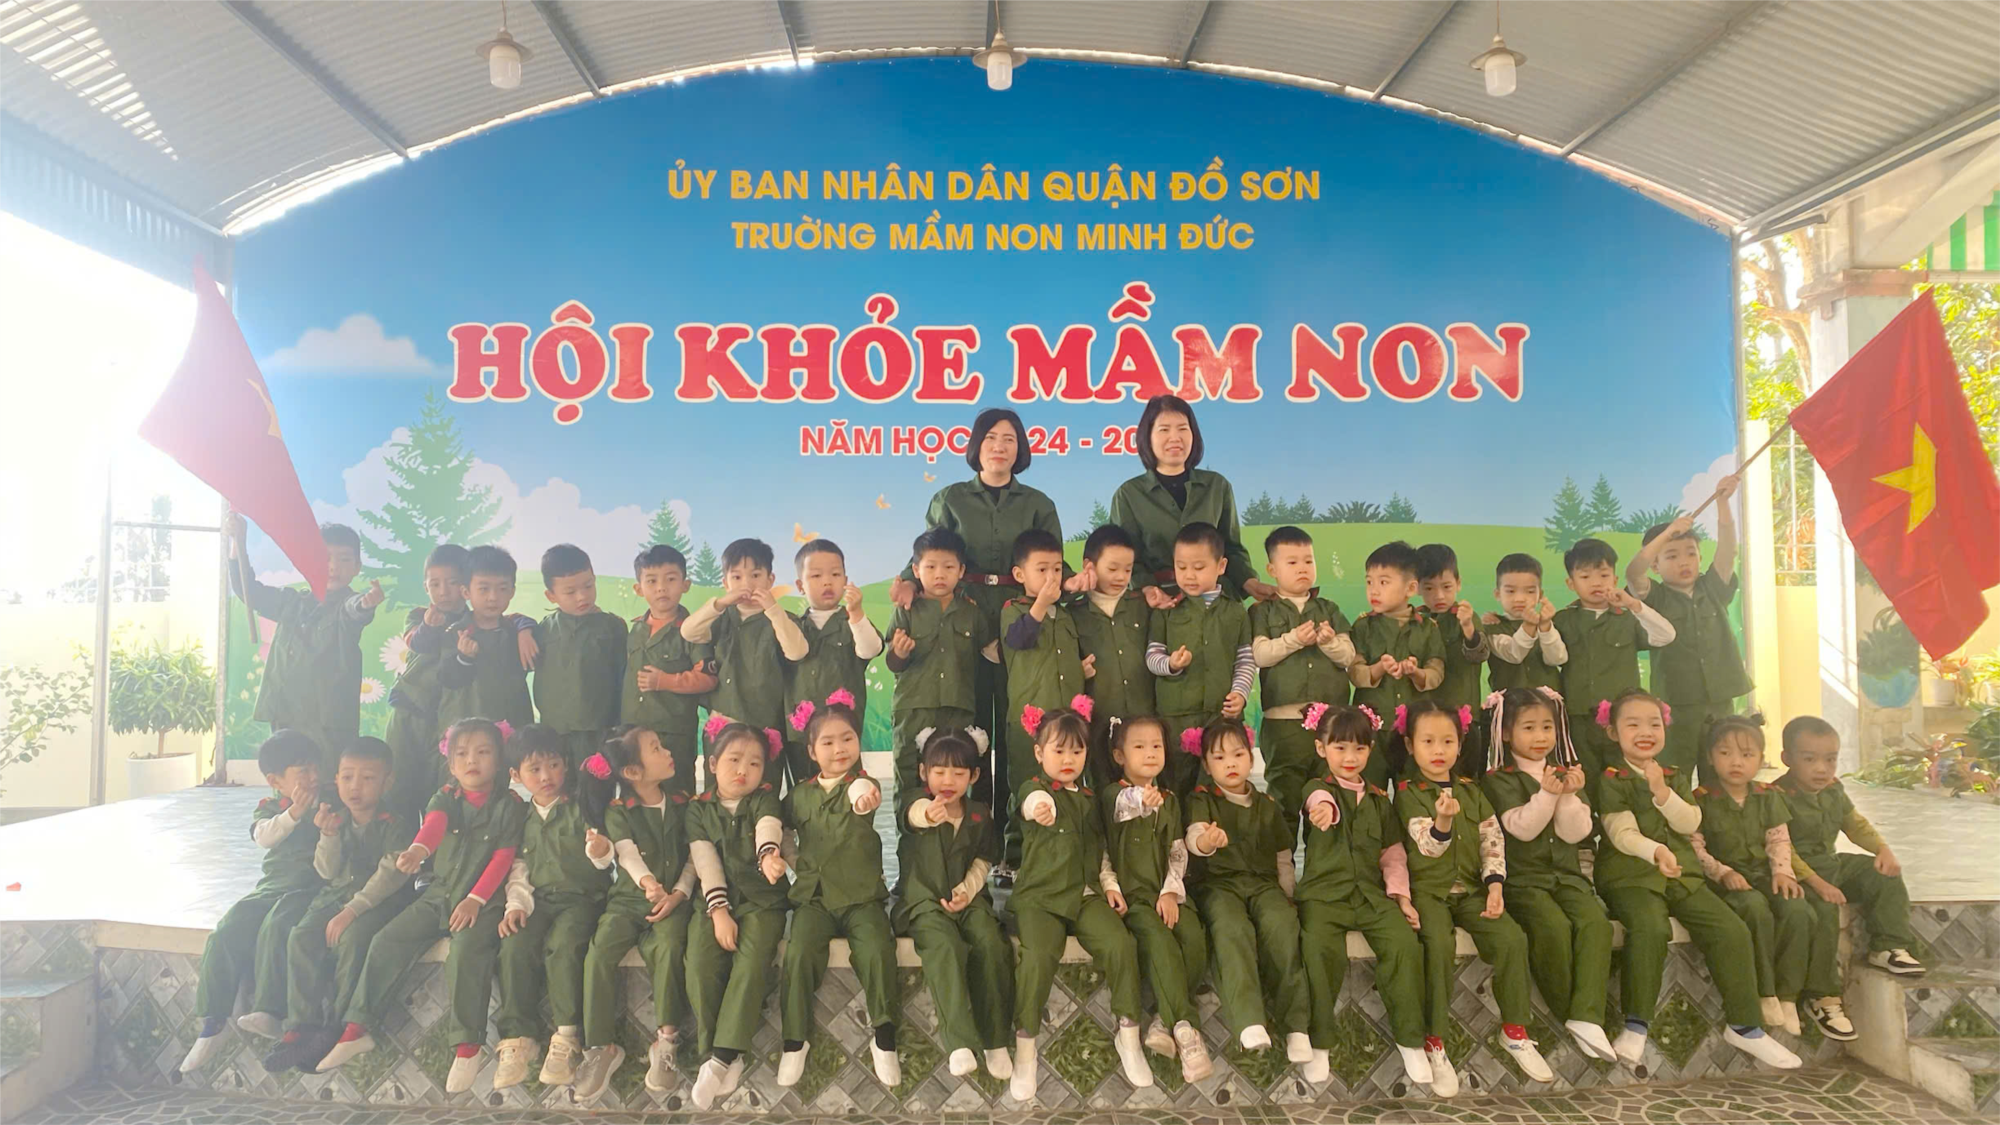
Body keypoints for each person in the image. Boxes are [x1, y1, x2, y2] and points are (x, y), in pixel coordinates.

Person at [1592, 690, 1800, 1070]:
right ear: (1613, 732)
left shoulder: (1674, 775)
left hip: (1683, 875)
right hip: (1630, 877)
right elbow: (1621, 833)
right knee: (1650, 927)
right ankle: (1636, 1026)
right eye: (1633, 724)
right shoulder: (1611, 779)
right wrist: (1656, 851)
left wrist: (1661, 791)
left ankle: (1745, 1026)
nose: (1645, 732)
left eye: (1654, 724)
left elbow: (1690, 822)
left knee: (1730, 929)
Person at [317, 719, 528, 1092]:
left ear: (499, 761)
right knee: (387, 939)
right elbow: (433, 825)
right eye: (462, 754)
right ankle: (357, 1028)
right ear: (451, 764)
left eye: (483, 752)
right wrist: (417, 850)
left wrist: (475, 900)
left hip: (484, 899)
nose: (472, 761)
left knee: (466, 951)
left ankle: (467, 1047)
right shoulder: (444, 797)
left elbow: (503, 857)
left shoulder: (509, 806)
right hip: (439, 893)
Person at [889, 408, 1070, 837]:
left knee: (1015, 726)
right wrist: (906, 580)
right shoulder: (950, 499)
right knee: (970, 730)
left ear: (1020, 448)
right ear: (976, 445)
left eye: (1009, 439)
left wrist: (1077, 580)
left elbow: (1053, 561)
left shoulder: (1038, 504)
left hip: (1020, 617)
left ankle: (1012, 835)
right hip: (964, 614)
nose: (999, 447)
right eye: (990, 438)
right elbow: (930, 551)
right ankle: (972, 834)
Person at [1394, 700, 1551, 1093]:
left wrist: (1495, 886)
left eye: (1448, 741)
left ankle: (1515, 1030)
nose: (1439, 750)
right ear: (1410, 745)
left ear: (1460, 745)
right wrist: (1443, 821)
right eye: (1428, 741)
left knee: (1511, 938)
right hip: (1428, 892)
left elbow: (1491, 839)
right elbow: (1427, 845)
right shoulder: (1408, 793)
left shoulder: (1472, 790)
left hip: (1471, 890)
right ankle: (1434, 1041)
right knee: (1437, 945)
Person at [1008, 705, 1152, 1101]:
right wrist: (1040, 808)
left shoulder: (1090, 799)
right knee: (1039, 955)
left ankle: (1129, 1034)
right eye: (1059, 751)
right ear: (1039, 753)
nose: (1068, 759)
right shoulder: (1033, 790)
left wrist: (1110, 885)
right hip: (1041, 898)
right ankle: (1025, 1049)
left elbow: (1100, 850)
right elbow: (1031, 803)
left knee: (1121, 943)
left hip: (1084, 894)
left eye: (1077, 751)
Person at [262, 737, 418, 1074]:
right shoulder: (336, 817)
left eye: (368, 778)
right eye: (347, 777)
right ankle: (301, 1027)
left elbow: (389, 878)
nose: (355, 787)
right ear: (336, 779)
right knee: (301, 936)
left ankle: (335, 1028)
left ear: (387, 781)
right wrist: (328, 836)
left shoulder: (396, 823)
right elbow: (327, 872)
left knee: (353, 939)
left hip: (378, 902)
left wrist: (350, 912)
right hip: (334, 896)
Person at [1296, 703, 1431, 1087]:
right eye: (1340, 748)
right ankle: (1320, 1043)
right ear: (1321, 748)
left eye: (1359, 748)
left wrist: (1401, 898)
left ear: (1370, 750)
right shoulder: (1316, 789)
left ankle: (1411, 1041)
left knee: (1403, 943)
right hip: (1324, 897)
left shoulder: (1378, 800)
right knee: (1318, 949)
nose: (1350, 757)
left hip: (1371, 897)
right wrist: (1324, 812)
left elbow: (1392, 854)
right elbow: (1319, 804)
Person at [1479, 687, 1617, 1062]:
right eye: (1529, 728)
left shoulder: (1566, 773)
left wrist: (1569, 794)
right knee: (1553, 926)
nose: (1540, 736)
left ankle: (1586, 1016)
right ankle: (1572, 1011)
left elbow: (1575, 833)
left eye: (1547, 727)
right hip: (1525, 882)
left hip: (1568, 877)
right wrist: (1548, 795)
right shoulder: (1499, 779)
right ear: (1506, 733)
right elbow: (1521, 829)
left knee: (1596, 924)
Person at [180, 729, 327, 1073]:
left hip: (310, 887)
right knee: (227, 929)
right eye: (302, 770)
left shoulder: (327, 803)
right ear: (275, 781)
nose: (312, 776)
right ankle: (214, 1021)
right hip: (272, 886)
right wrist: (294, 813)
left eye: (314, 767)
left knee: (277, 925)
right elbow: (264, 837)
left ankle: (270, 1010)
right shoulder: (271, 808)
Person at [776, 697, 901, 1089]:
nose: (839, 748)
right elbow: (778, 826)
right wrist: (792, 859)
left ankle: (885, 1038)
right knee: (799, 952)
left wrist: (864, 798)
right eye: (827, 742)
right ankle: (794, 1042)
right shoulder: (799, 795)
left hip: (861, 898)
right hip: (814, 898)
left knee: (878, 949)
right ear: (812, 751)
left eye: (847, 738)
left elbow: (863, 797)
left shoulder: (864, 784)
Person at [567, 725, 698, 1102]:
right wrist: (648, 884)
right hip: (627, 900)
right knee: (600, 951)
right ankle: (600, 1048)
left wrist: (678, 893)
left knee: (669, 947)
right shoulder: (618, 811)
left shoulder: (683, 803)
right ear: (632, 772)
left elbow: (695, 855)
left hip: (673, 902)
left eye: (662, 744)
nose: (667, 751)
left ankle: (666, 1042)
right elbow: (626, 854)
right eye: (656, 748)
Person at [490, 726, 612, 1093]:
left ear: (566, 765)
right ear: (516, 775)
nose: (546, 776)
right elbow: (519, 869)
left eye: (554, 765)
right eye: (535, 769)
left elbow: (605, 858)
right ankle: (518, 1039)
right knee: (514, 943)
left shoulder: (581, 807)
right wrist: (516, 906)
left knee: (563, 945)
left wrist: (600, 850)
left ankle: (566, 1037)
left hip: (582, 899)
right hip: (539, 901)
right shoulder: (522, 818)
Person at [1185, 720, 1311, 1069]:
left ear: (1251, 759)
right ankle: (1249, 1022)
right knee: (1231, 928)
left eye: (1238, 754)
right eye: (1219, 757)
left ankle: (1296, 1026)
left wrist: (1287, 894)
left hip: (1263, 885)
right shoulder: (1201, 799)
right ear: (1206, 764)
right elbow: (1194, 837)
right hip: (1219, 886)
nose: (1230, 763)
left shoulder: (1267, 804)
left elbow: (1283, 856)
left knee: (1282, 924)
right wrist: (1207, 841)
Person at [1777, 716, 1926, 1003]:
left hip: (1830, 863)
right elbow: (1784, 851)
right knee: (1823, 909)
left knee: (1882, 874)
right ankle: (1822, 994)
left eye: (1830, 759)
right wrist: (1819, 884)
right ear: (1787, 758)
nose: (1822, 768)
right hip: (1797, 874)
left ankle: (1888, 947)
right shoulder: (1776, 796)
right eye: (1809, 759)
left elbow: (1854, 824)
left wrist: (1882, 849)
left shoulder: (1833, 789)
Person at [1100, 714, 1213, 1083]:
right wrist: (1144, 797)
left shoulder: (1170, 800)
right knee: (1160, 942)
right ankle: (1186, 1031)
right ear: (1119, 756)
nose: (1150, 753)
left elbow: (1178, 851)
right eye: (1139, 746)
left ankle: (1165, 1020)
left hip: (1166, 892)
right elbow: (1128, 803)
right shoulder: (1113, 795)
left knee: (1193, 935)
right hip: (1133, 899)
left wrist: (1169, 890)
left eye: (1157, 746)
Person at [898, 727, 1015, 1081]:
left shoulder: (979, 814)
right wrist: (928, 813)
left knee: (992, 943)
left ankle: (995, 1040)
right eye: (939, 771)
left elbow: (983, 860)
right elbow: (913, 815)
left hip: (969, 899)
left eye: (958, 773)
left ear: (974, 776)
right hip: (925, 902)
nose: (948, 781)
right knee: (945, 946)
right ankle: (959, 1043)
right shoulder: (916, 803)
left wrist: (967, 890)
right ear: (924, 772)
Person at [1689, 715, 1818, 1038]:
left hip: (1763, 873)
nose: (1736, 762)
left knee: (1797, 909)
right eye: (1725, 753)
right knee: (1754, 908)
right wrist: (1723, 873)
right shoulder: (1700, 799)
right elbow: (1695, 847)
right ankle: (1765, 993)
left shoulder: (1767, 795)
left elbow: (1778, 839)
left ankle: (1788, 996)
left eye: (1747, 755)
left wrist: (1783, 873)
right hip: (1725, 880)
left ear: (1760, 759)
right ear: (1710, 757)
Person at [685, 723, 792, 1110]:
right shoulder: (698, 809)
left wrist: (769, 857)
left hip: (763, 901)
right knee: (699, 962)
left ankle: (720, 1058)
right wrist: (718, 912)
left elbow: (768, 829)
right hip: (715, 901)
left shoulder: (765, 800)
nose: (743, 770)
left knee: (751, 963)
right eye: (734, 760)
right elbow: (705, 862)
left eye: (755, 763)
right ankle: (720, 1055)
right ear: (713, 764)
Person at [226, 513, 384, 766]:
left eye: (344, 559)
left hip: (328, 722)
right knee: (289, 778)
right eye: (325, 558)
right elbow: (248, 590)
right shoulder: (290, 602)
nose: (333, 567)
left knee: (326, 780)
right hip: (285, 714)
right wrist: (238, 542)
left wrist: (365, 604)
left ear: (357, 567)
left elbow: (354, 610)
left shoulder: (347, 605)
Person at [1626, 478, 1751, 781]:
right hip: (1674, 705)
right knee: (1673, 777)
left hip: (1720, 701)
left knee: (1720, 777)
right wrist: (1667, 533)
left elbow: (1728, 551)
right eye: (1671, 555)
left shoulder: (1713, 588)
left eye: (1691, 553)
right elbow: (1633, 572)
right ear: (1656, 565)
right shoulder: (1655, 597)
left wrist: (1723, 503)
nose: (1684, 562)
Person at [1109, 395, 1273, 604]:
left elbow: (1231, 549)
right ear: (1147, 437)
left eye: (1183, 429)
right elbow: (1125, 558)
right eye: (1164, 429)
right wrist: (1147, 589)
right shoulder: (1128, 494)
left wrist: (1250, 582)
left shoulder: (1217, 486)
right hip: (1159, 604)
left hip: (1216, 602)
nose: (1175, 437)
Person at [1251, 525, 1355, 827]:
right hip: (1282, 724)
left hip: (1329, 722)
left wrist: (1329, 643)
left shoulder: (1328, 609)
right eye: (1292, 562)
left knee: (1327, 797)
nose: (1302, 568)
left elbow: (1348, 656)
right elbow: (1260, 655)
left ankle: (1322, 857)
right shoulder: (1263, 611)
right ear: (1272, 570)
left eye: (1308, 561)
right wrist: (1294, 639)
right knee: (1283, 795)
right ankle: (1282, 857)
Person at [887, 528, 995, 809]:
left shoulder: (972, 613)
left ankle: (953, 835)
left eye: (948, 567)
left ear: (961, 571)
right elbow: (892, 663)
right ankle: (911, 836)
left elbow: (992, 651)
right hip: (914, 708)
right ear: (916, 570)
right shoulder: (906, 610)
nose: (939, 574)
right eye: (931, 567)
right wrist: (899, 652)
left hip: (958, 709)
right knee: (910, 777)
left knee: (954, 778)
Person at [1551, 539, 1675, 781]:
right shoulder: (1562, 620)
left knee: (1624, 778)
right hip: (1578, 718)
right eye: (1585, 576)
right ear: (1571, 583)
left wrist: (1633, 604)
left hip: (1622, 720)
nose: (1596, 583)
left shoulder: (1628, 617)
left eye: (1604, 575)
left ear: (1615, 580)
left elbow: (1666, 636)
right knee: (1584, 778)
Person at [1146, 523, 1254, 795]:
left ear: (1221, 566)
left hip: (1221, 716)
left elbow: (1245, 660)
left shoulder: (1236, 611)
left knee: (1219, 787)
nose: (1189, 575)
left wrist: (1240, 694)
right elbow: (1151, 656)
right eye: (1181, 567)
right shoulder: (1166, 609)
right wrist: (1170, 664)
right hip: (1176, 717)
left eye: (1199, 567)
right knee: (1176, 785)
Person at [1001, 528, 1090, 853]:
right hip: (1030, 719)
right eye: (1042, 569)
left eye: (1057, 569)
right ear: (1019, 574)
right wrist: (1040, 604)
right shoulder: (1013, 609)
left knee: (1068, 784)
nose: (1052, 577)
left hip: (1065, 718)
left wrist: (1081, 670)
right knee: (1026, 783)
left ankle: (1062, 851)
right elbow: (1019, 639)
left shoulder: (1065, 613)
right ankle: (1016, 855)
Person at [682, 538, 808, 754]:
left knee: (763, 774)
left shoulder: (782, 619)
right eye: (737, 577)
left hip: (766, 726)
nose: (747, 584)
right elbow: (689, 632)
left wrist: (772, 608)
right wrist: (720, 603)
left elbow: (797, 652)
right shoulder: (720, 617)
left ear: (770, 580)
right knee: (720, 775)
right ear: (726, 583)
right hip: (723, 724)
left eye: (756, 576)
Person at [1345, 541, 1445, 785]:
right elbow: (1355, 672)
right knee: (1370, 792)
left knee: (1414, 791)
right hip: (1372, 729)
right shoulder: (1363, 626)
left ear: (1410, 588)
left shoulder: (1428, 628)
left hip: (1414, 730)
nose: (1374, 591)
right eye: (1369, 582)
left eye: (1384, 582)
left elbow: (1437, 672)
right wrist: (1378, 668)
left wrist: (1416, 672)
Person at [786, 539, 883, 787]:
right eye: (816, 576)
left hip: (844, 732)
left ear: (846, 580)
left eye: (835, 574)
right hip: (802, 734)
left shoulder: (852, 621)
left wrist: (857, 612)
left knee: (850, 789)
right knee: (804, 792)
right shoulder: (792, 627)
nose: (827, 582)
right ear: (800, 585)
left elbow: (871, 648)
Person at [623, 545, 717, 798]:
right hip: (633, 734)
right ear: (638, 589)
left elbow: (708, 679)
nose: (661, 588)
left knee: (677, 797)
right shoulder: (635, 629)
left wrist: (666, 681)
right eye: (651, 581)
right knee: (635, 797)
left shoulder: (693, 630)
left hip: (673, 734)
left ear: (685, 585)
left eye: (671, 579)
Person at [1071, 525, 1155, 785]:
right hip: (1098, 722)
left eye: (1127, 570)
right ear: (1089, 566)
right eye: (1112, 568)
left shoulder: (1143, 605)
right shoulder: (1073, 613)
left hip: (1143, 720)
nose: (1121, 577)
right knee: (1102, 789)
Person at [533, 545, 627, 767]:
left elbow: (624, 678)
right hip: (555, 731)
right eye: (570, 592)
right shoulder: (542, 630)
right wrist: (522, 629)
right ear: (551, 596)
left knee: (596, 784)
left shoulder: (613, 627)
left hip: (600, 730)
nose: (582, 596)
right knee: (559, 784)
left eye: (588, 586)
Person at [436, 547, 536, 732]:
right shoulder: (456, 632)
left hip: (514, 729)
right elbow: (447, 679)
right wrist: (464, 658)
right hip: (467, 732)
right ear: (466, 592)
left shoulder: (516, 633)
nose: (493, 597)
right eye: (483, 589)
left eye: (502, 589)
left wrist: (526, 630)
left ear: (512, 592)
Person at [1416, 544, 1492, 779]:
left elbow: (1480, 655)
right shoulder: (1415, 620)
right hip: (1426, 718)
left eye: (1446, 587)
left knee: (1466, 780)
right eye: (1429, 588)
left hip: (1463, 717)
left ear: (1458, 583)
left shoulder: (1465, 616)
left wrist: (1468, 628)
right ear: (1416, 587)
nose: (1439, 595)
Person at [1481, 554, 1565, 695]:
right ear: (1497, 594)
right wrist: (1529, 626)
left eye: (1530, 591)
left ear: (1540, 595)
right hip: (1510, 703)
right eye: (1510, 591)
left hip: (1547, 701)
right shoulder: (1492, 627)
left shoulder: (1547, 624)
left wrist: (1546, 627)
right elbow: (1514, 654)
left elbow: (1557, 659)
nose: (1519, 598)